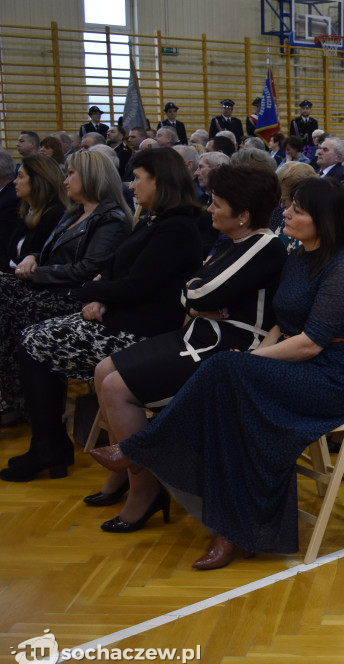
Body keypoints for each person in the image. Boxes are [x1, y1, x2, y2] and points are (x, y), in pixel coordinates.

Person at [87, 177, 344, 569]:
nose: (285, 213)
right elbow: (280, 324)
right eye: (289, 206)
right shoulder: (299, 256)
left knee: (225, 368)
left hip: (327, 379)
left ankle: (144, 450)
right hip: (294, 366)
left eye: (297, 210)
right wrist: (254, 356)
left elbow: (311, 343)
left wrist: (253, 361)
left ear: (323, 220)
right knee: (228, 388)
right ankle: (234, 530)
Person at [83, 163, 286, 513]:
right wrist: (195, 298)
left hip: (226, 348)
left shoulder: (265, 246)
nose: (209, 209)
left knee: (117, 389)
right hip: (195, 335)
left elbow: (200, 293)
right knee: (104, 370)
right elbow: (190, 291)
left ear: (243, 215)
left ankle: (143, 491)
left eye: (217, 204)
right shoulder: (232, 242)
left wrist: (196, 298)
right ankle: (126, 477)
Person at [2, 148, 203, 483]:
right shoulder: (155, 219)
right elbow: (112, 268)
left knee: (33, 343)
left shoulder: (177, 228)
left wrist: (93, 292)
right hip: (120, 314)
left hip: (142, 331)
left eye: (138, 178)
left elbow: (136, 285)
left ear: (160, 181)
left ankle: (48, 446)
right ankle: (47, 443)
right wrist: (99, 290)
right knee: (30, 337)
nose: (132, 185)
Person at [0, 150, 130, 420]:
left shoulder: (110, 218)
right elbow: (53, 253)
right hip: (53, 288)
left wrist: (37, 273)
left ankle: (20, 399)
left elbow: (88, 268)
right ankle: (14, 394)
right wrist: (34, 257)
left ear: (91, 177)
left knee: (11, 307)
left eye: (71, 174)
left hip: (73, 296)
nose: (66, 180)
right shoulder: (74, 213)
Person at [5, 155, 69, 274]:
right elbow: (11, 256)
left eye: (20, 176)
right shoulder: (26, 210)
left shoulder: (57, 215)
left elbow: (47, 262)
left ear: (38, 180)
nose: (15, 181)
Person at [271, 161, 317, 252]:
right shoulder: (285, 218)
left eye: (285, 200)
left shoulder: (311, 227)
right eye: (280, 200)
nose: (282, 206)